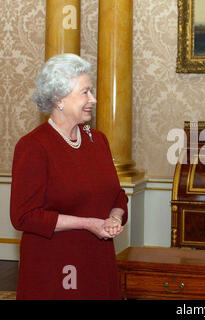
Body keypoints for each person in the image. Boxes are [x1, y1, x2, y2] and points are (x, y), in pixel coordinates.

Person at [10, 53, 128, 300]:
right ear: (58, 98)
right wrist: (87, 223)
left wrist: (114, 217)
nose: (93, 99)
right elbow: (24, 216)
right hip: (54, 266)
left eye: (91, 91)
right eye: (85, 92)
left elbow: (116, 195)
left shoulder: (98, 140)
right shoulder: (33, 146)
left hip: (98, 260)